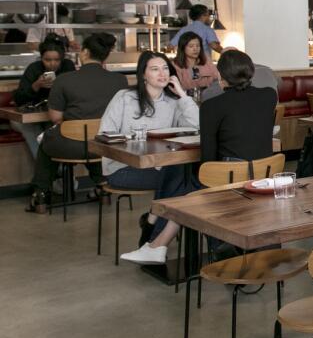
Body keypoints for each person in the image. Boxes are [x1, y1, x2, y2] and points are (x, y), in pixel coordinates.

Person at [126, 50, 278, 262]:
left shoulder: (212, 106)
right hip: (263, 176)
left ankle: (157, 240)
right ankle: (158, 243)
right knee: (188, 190)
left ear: (220, 76)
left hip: (230, 179)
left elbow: (208, 155)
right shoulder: (269, 95)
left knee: (188, 192)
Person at [106, 52, 200, 265]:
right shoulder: (124, 98)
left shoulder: (173, 102)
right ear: (143, 75)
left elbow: (198, 125)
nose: (162, 73)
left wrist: (183, 96)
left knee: (180, 175)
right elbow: (105, 133)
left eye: (165, 68)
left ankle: (152, 231)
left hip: (160, 168)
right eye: (155, 69)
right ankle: (152, 233)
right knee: (185, 182)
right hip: (123, 168)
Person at [27, 33, 126, 213]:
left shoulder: (64, 79)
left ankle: (40, 195)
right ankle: (102, 187)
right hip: (106, 143)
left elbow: (55, 117)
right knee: (93, 140)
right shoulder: (120, 80)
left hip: (70, 144)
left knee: (47, 143)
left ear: (85, 52)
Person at [10, 37, 76, 157]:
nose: (52, 64)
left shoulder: (68, 66)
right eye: (47, 60)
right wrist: (35, 86)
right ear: (41, 58)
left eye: (57, 60)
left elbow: (74, 93)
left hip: (56, 115)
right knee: (29, 127)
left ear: (62, 59)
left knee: (54, 127)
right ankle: (46, 166)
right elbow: (18, 98)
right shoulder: (34, 68)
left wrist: (59, 86)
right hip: (32, 116)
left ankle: (51, 169)